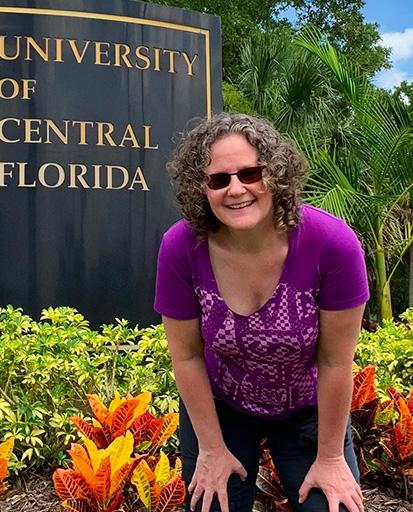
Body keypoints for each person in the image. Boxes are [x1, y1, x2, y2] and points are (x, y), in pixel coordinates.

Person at [154, 113, 369, 512]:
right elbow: (185, 355)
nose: (236, 189)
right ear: (201, 189)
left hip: (306, 406)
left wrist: (331, 459)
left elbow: (336, 362)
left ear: (276, 176)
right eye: (219, 179)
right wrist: (212, 450)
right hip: (222, 404)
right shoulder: (181, 246)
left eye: (250, 173)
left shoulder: (333, 244)